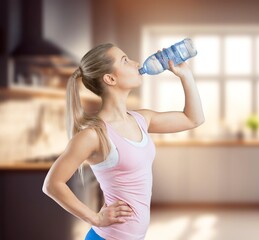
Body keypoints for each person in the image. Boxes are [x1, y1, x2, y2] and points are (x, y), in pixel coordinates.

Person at [42, 42, 204, 240]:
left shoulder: (141, 119)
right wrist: (95, 218)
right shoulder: (93, 134)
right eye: (125, 60)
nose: (136, 63)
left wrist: (186, 75)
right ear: (110, 78)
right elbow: (52, 184)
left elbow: (193, 119)